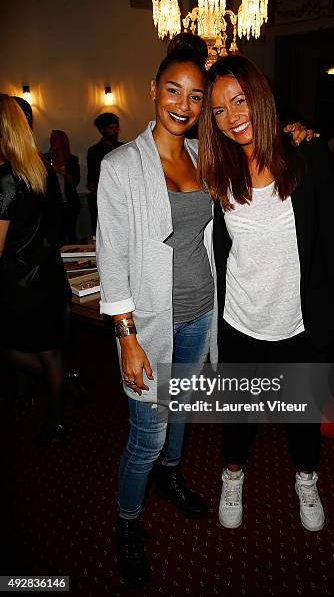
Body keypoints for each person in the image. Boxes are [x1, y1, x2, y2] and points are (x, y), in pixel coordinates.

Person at [197, 55, 334, 532]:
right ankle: (232, 475)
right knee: (239, 416)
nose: (232, 116)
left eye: (238, 100)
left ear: (259, 96)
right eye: (218, 110)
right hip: (240, 320)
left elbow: (328, 245)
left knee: (302, 416)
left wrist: (330, 316)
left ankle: (306, 480)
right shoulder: (217, 174)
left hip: (298, 322)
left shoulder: (309, 157)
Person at [96, 34, 213, 588]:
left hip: (199, 314)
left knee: (182, 409)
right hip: (149, 325)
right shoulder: (121, 166)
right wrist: (127, 337)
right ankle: (125, 521)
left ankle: (171, 477)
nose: (183, 105)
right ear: (154, 89)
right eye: (174, 90)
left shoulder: (202, 156)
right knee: (147, 432)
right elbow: (111, 259)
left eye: (195, 96)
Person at [0, 94, 71, 446]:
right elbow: (55, 228)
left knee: (26, 348)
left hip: (20, 280)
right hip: (46, 274)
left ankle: (57, 403)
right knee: (46, 349)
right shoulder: (40, 166)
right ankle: (52, 399)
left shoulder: (7, 178)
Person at [87, 112, 123, 234]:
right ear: (102, 130)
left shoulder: (124, 148)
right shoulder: (94, 151)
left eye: (116, 127)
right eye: (111, 128)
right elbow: (91, 179)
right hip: (102, 200)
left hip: (122, 200)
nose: (115, 131)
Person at [44, 130, 81, 243]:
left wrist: (60, 171)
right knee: (56, 236)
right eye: (51, 139)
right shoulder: (46, 158)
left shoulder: (72, 160)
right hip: (53, 204)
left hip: (70, 204)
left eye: (54, 139)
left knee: (71, 235)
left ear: (62, 141)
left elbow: (75, 181)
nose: (51, 141)